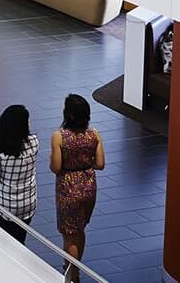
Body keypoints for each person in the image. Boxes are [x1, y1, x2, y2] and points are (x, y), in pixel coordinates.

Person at [51, 94, 106, 283]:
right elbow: (100, 164)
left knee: (69, 235)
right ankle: (75, 268)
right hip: (89, 186)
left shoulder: (59, 137)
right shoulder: (94, 134)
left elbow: (56, 167)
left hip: (68, 188)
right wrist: (86, 163)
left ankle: (72, 275)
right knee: (80, 229)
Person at [0, 105, 39, 243]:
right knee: (20, 239)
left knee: (3, 240)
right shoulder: (34, 142)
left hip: (4, 204)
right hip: (27, 203)